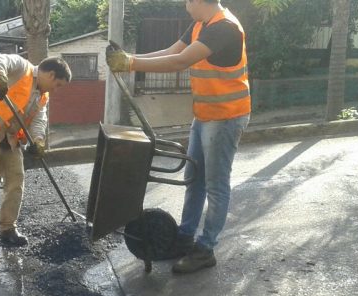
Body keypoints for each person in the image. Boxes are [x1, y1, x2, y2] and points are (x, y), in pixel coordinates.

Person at [106, 0, 250, 274]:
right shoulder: (201, 25)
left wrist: (131, 64)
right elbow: (171, 51)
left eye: (188, 1)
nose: (186, 6)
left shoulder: (225, 29)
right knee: (193, 178)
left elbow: (179, 61)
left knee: (216, 186)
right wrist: (130, 60)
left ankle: (205, 249)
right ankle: (185, 238)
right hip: (205, 115)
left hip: (226, 117)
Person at [0, 53, 72, 250]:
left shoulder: (42, 97)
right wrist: (0, 76)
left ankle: (7, 229)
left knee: (16, 181)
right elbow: (0, 60)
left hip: (10, 138)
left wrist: (38, 141)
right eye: (58, 85)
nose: (56, 90)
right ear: (50, 75)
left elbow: (39, 120)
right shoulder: (22, 67)